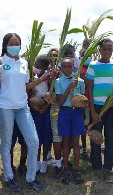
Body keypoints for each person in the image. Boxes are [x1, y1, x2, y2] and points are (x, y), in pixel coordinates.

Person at [0, 33, 49, 192]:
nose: (15, 45)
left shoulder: (24, 62)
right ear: (5, 45)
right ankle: (9, 177)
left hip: (22, 106)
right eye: (11, 43)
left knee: (33, 141)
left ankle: (31, 178)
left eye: (18, 43)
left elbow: (26, 85)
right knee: (7, 143)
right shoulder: (0, 62)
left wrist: (44, 78)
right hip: (4, 107)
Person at [86, 39, 113, 182]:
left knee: (110, 137)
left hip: (110, 108)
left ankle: (107, 167)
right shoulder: (93, 65)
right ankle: (96, 166)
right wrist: (93, 111)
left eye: (110, 49)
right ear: (99, 50)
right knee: (96, 136)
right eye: (104, 49)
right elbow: (90, 88)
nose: (107, 52)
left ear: (112, 50)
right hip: (97, 107)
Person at [55, 57, 86, 185]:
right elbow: (60, 102)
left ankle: (77, 170)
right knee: (66, 141)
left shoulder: (80, 81)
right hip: (64, 112)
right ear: (61, 68)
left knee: (75, 141)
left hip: (76, 113)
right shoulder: (58, 81)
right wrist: (69, 87)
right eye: (64, 67)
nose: (67, 69)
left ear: (74, 67)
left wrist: (81, 108)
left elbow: (82, 98)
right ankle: (66, 168)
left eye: (70, 67)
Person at [30, 55, 53, 174]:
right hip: (35, 110)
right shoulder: (32, 77)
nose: (37, 69)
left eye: (39, 68)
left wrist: (46, 106)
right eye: (35, 67)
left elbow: (52, 94)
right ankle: (37, 162)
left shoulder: (50, 79)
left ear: (45, 68)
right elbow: (29, 93)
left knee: (47, 136)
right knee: (37, 137)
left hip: (46, 109)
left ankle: (45, 162)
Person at [47, 48, 64, 180]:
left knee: (66, 136)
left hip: (67, 107)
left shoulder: (66, 69)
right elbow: (47, 93)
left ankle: (64, 161)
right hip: (54, 108)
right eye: (52, 56)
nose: (54, 58)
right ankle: (58, 165)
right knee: (56, 136)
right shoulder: (46, 72)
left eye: (57, 56)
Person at [79, 48, 92, 161]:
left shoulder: (93, 69)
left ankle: (89, 147)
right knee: (83, 126)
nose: (87, 57)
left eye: (89, 55)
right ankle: (83, 148)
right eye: (84, 55)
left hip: (91, 102)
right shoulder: (79, 70)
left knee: (89, 125)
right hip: (82, 103)